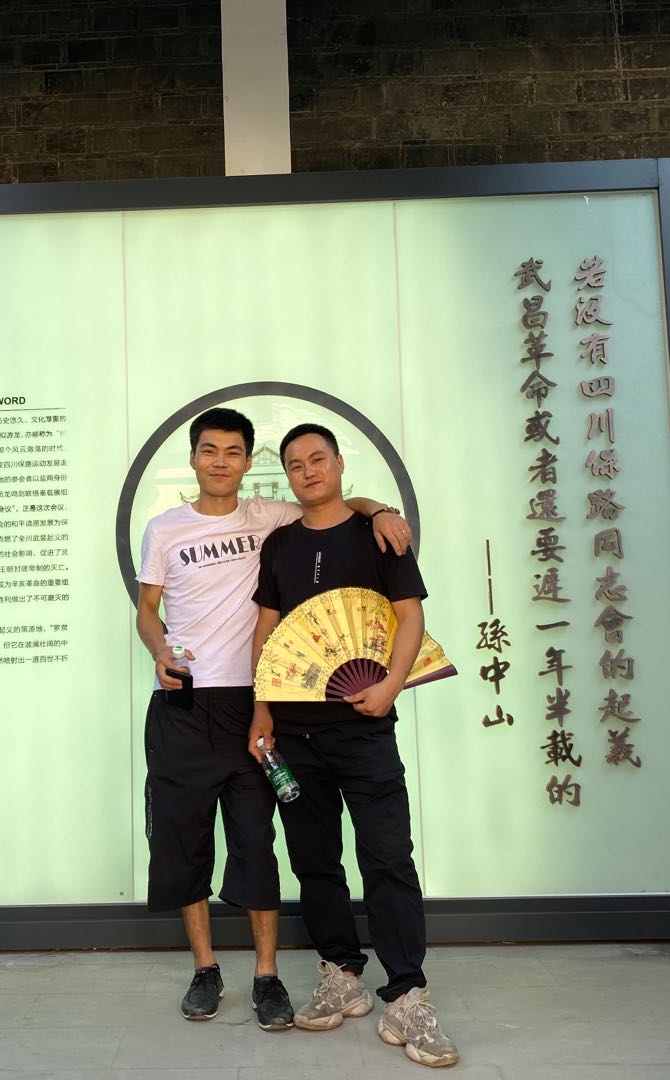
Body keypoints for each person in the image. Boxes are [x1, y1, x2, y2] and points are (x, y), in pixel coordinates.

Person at [136, 406, 411, 1030]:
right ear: (193, 457)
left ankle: (267, 975)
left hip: (252, 703)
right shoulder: (163, 529)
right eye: (209, 451)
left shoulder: (271, 516)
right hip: (182, 703)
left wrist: (381, 510)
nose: (220, 462)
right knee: (184, 841)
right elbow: (148, 609)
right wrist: (158, 649)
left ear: (247, 461)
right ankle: (205, 969)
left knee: (256, 841)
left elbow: (333, 503)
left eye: (233, 452)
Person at [248, 423, 458, 1069]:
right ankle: (341, 973)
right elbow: (267, 634)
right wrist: (262, 711)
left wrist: (391, 684)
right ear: (287, 475)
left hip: (365, 729)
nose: (308, 471)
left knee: (388, 857)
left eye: (318, 459)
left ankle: (408, 994)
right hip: (295, 733)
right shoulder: (280, 545)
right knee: (315, 861)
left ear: (340, 464)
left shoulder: (378, 534)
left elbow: (409, 615)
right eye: (296, 464)